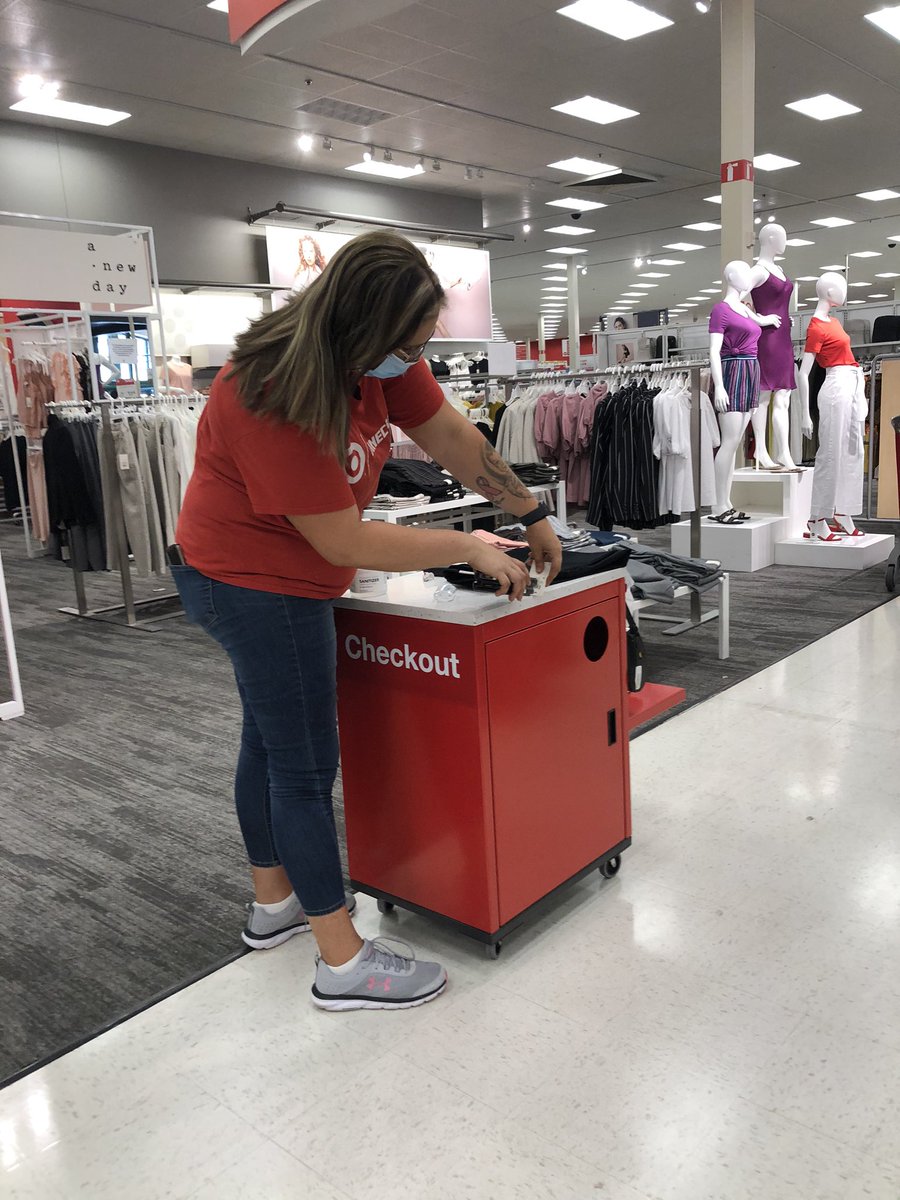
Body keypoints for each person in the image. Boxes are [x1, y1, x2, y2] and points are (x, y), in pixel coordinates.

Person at [171, 232, 562, 1011]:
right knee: (305, 765)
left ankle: (274, 905)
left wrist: (528, 506)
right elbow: (341, 539)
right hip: (254, 583)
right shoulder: (271, 389)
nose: (410, 360)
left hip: (279, 576)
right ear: (360, 326)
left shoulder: (374, 354)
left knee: (271, 740)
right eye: (405, 346)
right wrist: (467, 544)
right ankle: (341, 962)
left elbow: (450, 433)